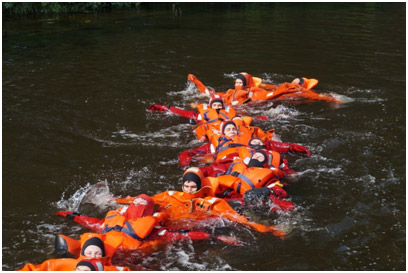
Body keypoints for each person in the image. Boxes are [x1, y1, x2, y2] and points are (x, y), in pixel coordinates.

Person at [188, 73, 342, 105]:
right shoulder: (234, 93)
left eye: (296, 81)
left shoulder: (233, 93)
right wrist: (197, 82)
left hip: (241, 107)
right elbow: (270, 95)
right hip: (246, 106)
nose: (293, 81)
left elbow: (270, 94)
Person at [19, 235, 130, 271]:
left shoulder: (111, 269)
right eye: (89, 253)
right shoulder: (65, 264)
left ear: (104, 256)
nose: (93, 256)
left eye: (97, 253)